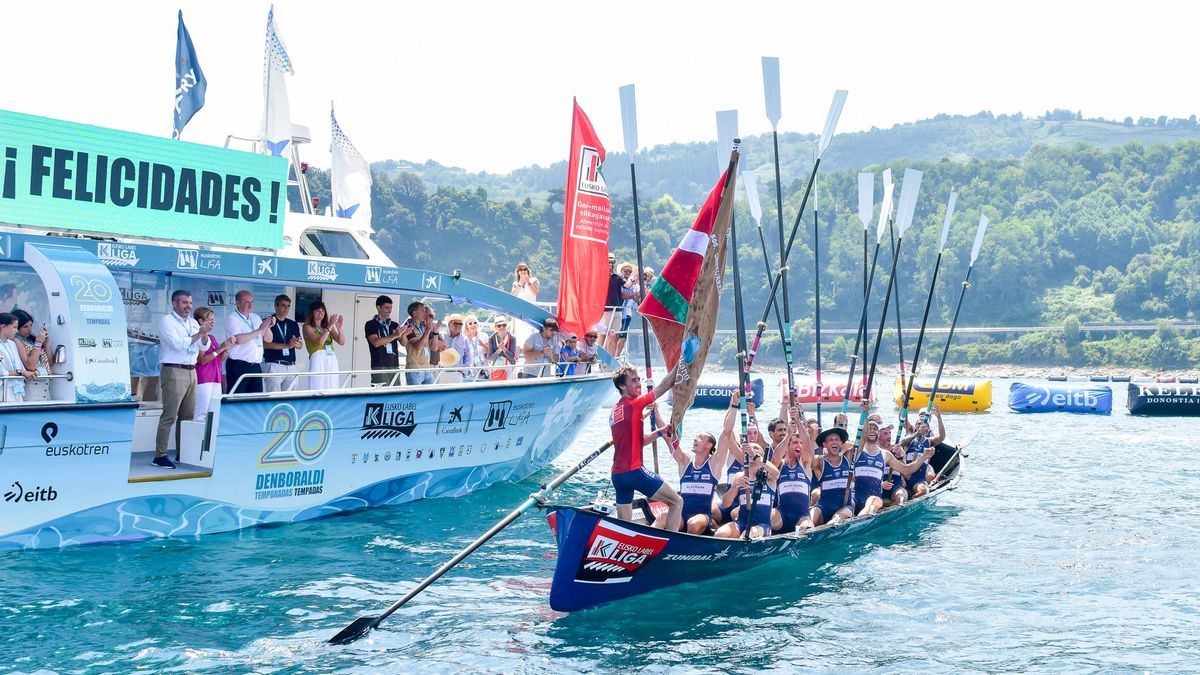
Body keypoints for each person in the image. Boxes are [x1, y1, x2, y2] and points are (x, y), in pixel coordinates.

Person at [608, 362, 684, 530]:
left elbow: (638, 442)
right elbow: (664, 385)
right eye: (634, 380)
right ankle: (670, 545)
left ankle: (625, 549)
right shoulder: (634, 405)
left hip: (618, 477)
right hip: (634, 471)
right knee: (677, 502)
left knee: (625, 526)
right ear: (622, 386)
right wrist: (681, 363)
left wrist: (659, 432)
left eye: (639, 380)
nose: (639, 384)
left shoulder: (615, 411)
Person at [155, 291, 212, 468]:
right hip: (174, 371)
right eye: (184, 303)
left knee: (187, 416)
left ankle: (183, 452)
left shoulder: (193, 322)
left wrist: (204, 333)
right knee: (170, 415)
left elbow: (205, 345)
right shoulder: (167, 321)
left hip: (191, 371)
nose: (188, 306)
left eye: (190, 303)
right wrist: (199, 334)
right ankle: (160, 455)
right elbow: (178, 345)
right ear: (174, 304)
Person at [852, 416, 935, 516]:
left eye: (875, 429)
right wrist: (865, 412)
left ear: (878, 434)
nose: (872, 431)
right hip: (855, 496)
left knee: (895, 500)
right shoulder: (856, 450)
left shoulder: (885, 454)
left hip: (874, 499)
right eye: (870, 428)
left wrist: (924, 457)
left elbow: (906, 470)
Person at [665, 426, 730, 534]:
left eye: (700, 437)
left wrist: (732, 408)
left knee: (693, 523)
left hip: (702, 517)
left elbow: (726, 434)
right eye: (695, 437)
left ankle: (688, 548)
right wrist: (656, 411)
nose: (695, 439)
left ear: (709, 445)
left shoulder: (714, 464)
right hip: (682, 516)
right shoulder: (684, 461)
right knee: (663, 517)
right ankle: (646, 546)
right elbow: (669, 437)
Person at [714, 442, 780, 539]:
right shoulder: (739, 476)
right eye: (750, 449)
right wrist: (734, 487)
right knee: (720, 534)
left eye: (756, 448)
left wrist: (754, 455)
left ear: (761, 456)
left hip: (762, 524)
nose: (752, 449)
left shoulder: (768, 475)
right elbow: (725, 504)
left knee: (747, 535)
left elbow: (776, 473)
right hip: (742, 522)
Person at [224, 290, 275, 394]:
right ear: (238, 302)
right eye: (247, 302)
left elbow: (268, 339)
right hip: (239, 365)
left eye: (252, 302)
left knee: (254, 399)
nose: (250, 305)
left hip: (255, 365)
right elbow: (238, 340)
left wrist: (268, 326)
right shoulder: (232, 318)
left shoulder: (255, 317)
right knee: (237, 398)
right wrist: (260, 330)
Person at [777, 407, 817, 532]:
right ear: (787, 446)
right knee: (763, 517)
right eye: (795, 442)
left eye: (800, 443)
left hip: (802, 517)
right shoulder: (779, 465)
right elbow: (775, 456)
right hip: (781, 516)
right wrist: (788, 434)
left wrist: (797, 420)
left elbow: (807, 443)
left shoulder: (805, 464)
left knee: (808, 529)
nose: (799, 445)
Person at [193, 307, 234, 420]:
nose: (214, 322)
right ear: (201, 321)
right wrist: (220, 349)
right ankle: (197, 437)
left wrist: (225, 350)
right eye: (210, 319)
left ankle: (209, 437)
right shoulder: (197, 337)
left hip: (216, 378)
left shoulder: (212, 337)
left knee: (214, 412)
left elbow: (217, 360)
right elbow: (202, 360)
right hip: (203, 379)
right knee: (201, 413)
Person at [898, 406, 946, 499]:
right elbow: (901, 443)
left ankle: (912, 499)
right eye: (918, 424)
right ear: (915, 427)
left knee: (924, 491)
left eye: (923, 425)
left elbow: (942, 437)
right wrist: (903, 406)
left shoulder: (929, 441)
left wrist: (939, 418)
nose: (921, 426)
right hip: (905, 476)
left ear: (927, 428)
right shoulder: (909, 439)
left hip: (918, 478)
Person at [810, 427, 855, 526]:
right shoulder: (819, 461)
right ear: (824, 444)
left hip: (845, 507)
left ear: (841, 443)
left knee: (835, 521)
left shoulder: (847, 457)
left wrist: (864, 413)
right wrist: (813, 436)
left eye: (837, 440)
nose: (834, 442)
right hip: (823, 506)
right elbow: (808, 457)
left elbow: (862, 439)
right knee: (809, 521)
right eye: (831, 440)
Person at [261, 294, 303, 393]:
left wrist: (295, 343)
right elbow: (264, 344)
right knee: (272, 397)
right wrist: (286, 346)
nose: (286, 309)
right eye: (283, 305)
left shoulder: (293, 324)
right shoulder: (267, 322)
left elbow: (300, 345)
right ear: (276, 306)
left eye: (288, 306)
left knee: (290, 398)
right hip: (274, 364)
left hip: (291, 365)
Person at [304, 301, 345, 391]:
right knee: (318, 385)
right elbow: (320, 342)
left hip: (331, 357)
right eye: (318, 310)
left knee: (332, 384)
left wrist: (339, 328)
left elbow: (341, 342)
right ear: (312, 312)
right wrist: (330, 326)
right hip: (318, 357)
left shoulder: (326, 326)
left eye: (323, 311)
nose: (321, 313)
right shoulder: (307, 326)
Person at [12, 310, 52, 401]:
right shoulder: (16, 341)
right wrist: (38, 343)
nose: (29, 329)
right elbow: (30, 365)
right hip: (32, 384)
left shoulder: (32, 340)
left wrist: (46, 344)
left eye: (31, 325)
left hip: (46, 382)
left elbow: (51, 362)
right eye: (25, 326)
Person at [365, 295, 402, 386]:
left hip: (394, 365)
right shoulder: (371, 324)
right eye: (386, 308)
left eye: (391, 308)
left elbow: (404, 343)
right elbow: (376, 342)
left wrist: (404, 333)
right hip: (379, 365)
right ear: (378, 307)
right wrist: (394, 335)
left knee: (396, 395)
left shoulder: (394, 324)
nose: (389, 310)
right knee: (380, 394)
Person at [399, 301, 438, 385]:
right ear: (414, 313)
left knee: (430, 397)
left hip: (427, 368)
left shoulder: (424, 326)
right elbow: (418, 346)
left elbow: (434, 348)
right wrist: (428, 331)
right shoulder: (408, 327)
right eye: (423, 311)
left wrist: (435, 332)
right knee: (415, 397)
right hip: (415, 369)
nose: (425, 313)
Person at [0, 312, 35, 403]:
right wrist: (22, 373)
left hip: (16, 391)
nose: (16, 330)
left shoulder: (12, 344)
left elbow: (18, 365)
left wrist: (26, 374)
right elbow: (3, 373)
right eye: (14, 327)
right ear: (3, 326)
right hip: (2, 392)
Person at [511, 262, 539, 349]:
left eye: (525, 269)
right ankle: (517, 357)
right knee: (518, 336)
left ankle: (531, 353)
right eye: (521, 269)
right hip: (519, 311)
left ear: (528, 270)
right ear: (518, 272)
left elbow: (535, 293)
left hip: (530, 310)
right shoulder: (515, 283)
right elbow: (512, 295)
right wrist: (520, 283)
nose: (523, 271)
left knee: (531, 334)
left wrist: (527, 282)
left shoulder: (534, 280)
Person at [601, 253, 623, 353]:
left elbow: (626, 286)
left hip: (617, 308)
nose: (611, 264)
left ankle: (611, 358)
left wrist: (633, 279)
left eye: (612, 262)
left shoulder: (617, 277)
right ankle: (601, 355)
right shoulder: (600, 275)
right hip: (605, 309)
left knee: (614, 335)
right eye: (609, 262)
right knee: (603, 334)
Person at [614, 262, 637, 356]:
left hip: (627, 313)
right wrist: (635, 295)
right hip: (619, 312)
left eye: (629, 271)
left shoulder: (634, 285)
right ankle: (612, 355)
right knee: (616, 335)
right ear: (621, 272)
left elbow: (636, 299)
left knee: (623, 337)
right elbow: (622, 295)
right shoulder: (619, 283)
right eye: (625, 271)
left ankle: (617, 356)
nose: (627, 272)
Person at [463, 314, 489, 380]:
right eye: (470, 323)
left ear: (477, 324)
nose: (473, 325)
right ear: (466, 326)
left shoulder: (484, 335)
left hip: (483, 367)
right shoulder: (463, 338)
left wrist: (483, 345)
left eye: (475, 322)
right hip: (470, 368)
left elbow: (488, 352)